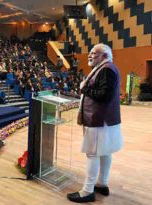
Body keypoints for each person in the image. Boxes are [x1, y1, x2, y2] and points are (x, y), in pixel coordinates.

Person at [67, 44, 123, 203]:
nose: (89, 56)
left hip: (98, 120)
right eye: (90, 53)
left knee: (92, 153)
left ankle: (87, 191)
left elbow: (103, 96)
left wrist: (84, 88)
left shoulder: (106, 69)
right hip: (104, 119)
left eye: (94, 53)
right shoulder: (106, 68)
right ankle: (102, 183)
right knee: (104, 152)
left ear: (104, 56)